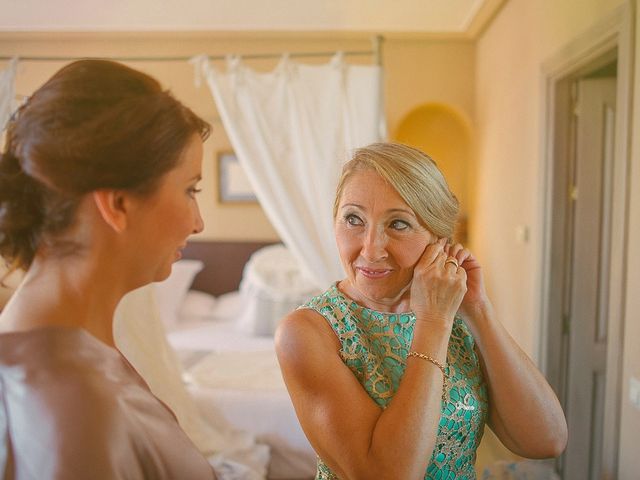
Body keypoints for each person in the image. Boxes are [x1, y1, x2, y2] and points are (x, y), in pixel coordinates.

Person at [276, 142, 568, 479]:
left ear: (439, 238)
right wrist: (433, 322)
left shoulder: (458, 314)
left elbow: (547, 440)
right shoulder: (307, 332)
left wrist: (478, 311)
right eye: (353, 219)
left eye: (398, 224)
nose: (371, 249)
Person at [0, 59, 216, 479]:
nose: (198, 222)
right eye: (190, 190)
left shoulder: (71, 352)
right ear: (117, 204)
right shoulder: (68, 405)